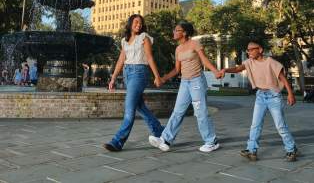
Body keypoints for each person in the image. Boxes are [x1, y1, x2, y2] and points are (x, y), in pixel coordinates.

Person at [149, 21, 222, 153]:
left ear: (185, 32)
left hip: (196, 82)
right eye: (174, 30)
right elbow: (177, 70)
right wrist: (163, 78)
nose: (174, 32)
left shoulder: (195, 44)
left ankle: (212, 141)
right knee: (178, 112)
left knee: (200, 112)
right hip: (184, 83)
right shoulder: (178, 49)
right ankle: (165, 139)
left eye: (177, 30)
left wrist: (215, 71)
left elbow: (204, 60)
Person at [221, 40, 298, 162]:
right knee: (255, 125)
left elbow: (283, 78)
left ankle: (291, 149)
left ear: (260, 50)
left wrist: (290, 94)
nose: (249, 52)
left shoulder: (270, 62)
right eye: (248, 50)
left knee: (280, 126)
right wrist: (225, 70)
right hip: (260, 96)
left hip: (274, 96)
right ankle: (251, 150)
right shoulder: (249, 62)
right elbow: (237, 69)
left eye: (252, 49)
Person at [104, 14, 164, 152]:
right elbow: (120, 60)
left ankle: (117, 142)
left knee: (129, 109)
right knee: (140, 106)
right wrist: (113, 78)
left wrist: (157, 76)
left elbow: (149, 57)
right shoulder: (124, 41)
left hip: (140, 72)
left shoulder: (144, 38)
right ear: (130, 23)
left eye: (141, 23)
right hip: (127, 73)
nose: (139, 25)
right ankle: (160, 131)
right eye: (136, 22)